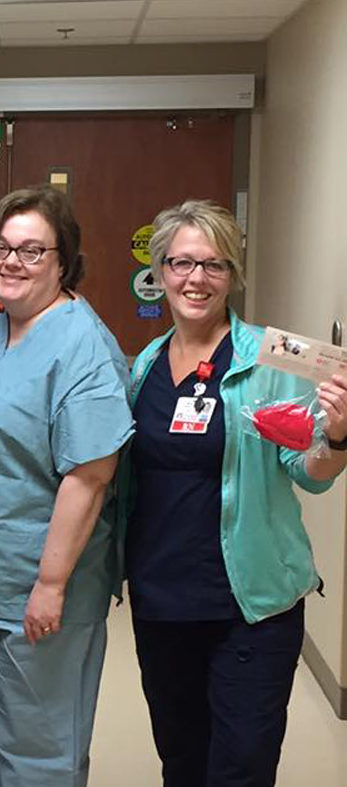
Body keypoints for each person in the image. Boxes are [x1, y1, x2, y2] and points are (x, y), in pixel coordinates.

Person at [115, 200, 347, 787]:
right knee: (182, 760)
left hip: (251, 603)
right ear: (159, 271)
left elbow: (310, 472)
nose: (196, 279)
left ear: (233, 273)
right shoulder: (142, 366)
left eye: (214, 265)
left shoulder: (269, 360)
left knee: (242, 766)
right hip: (162, 601)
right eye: (182, 263)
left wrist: (341, 436)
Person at [0, 185, 133, 787]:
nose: (11, 262)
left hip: (35, 593)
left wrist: (49, 583)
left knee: (38, 751)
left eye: (32, 251)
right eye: (1, 246)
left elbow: (90, 477)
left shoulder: (83, 348)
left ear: (64, 261)